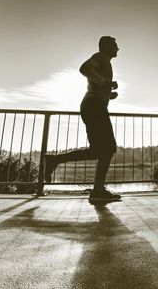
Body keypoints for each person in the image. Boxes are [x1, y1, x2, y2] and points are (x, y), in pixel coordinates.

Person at [44, 36, 121, 203]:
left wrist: (108, 93)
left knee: (99, 151)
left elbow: (95, 84)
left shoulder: (105, 61)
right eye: (115, 45)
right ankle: (97, 191)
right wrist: (105, 81)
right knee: (107, 149)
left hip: (94, 105)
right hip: (94, 106)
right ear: (107, 46)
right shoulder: (100, 57)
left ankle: (54, 160)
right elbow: (84, 68)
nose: (118, 49)